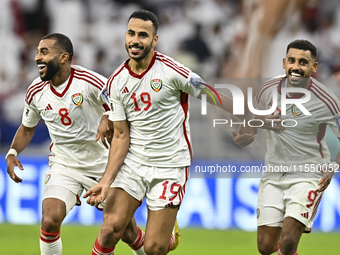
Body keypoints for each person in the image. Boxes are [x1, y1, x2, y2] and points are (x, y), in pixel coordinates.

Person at [82, 9, 241, 255]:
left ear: (155, 40)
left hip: (170, 165)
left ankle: (167, 235)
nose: (135, 40)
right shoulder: (116, 82)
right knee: (111, 229)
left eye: (143, 35)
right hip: (134, 163)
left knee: (155, 248)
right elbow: (122, 136)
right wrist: (106, 182)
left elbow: (211, 93)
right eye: (131, 34)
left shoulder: (172, 71)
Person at [5, 33, 146, 255]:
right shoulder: (35, 91)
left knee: (123, 232)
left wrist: (107, 115)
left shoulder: (89, 81)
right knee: (50, 219)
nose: (36, 58)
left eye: (44, 52)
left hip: (104, 164)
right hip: (65, 165)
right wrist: (13, 151)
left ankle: (150, 246)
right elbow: (27, 127)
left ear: (63, 57)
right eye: (37, 52)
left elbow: (123, 102)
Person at [232, 39, 340, 255]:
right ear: (284, 62)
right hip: (273, 174)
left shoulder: (326, 100)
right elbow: (251, 123)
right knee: (265, 247)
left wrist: (332, 168)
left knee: (289, 240)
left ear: (313, 67)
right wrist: (245, 135)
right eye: (291, 60)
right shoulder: (267, 90)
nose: (296, 67)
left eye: (303, 62)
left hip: (308, 175)